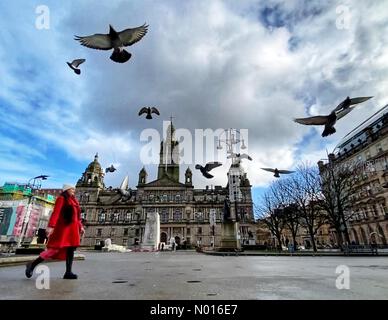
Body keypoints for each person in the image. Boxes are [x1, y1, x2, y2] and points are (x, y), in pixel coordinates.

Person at [25, 184, 85, 280]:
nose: (74, 190)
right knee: (54, 249)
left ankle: (68, 272)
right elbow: (56, 213)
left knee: (70, 250)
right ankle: (32, 264)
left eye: (74, 189)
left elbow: (78, 217)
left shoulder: (75, 201)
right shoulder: (61, 199)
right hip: (63, 229)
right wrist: (51, 226)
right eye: (72, 189)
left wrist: (80, 227)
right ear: (66, 190)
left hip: (73, 230)